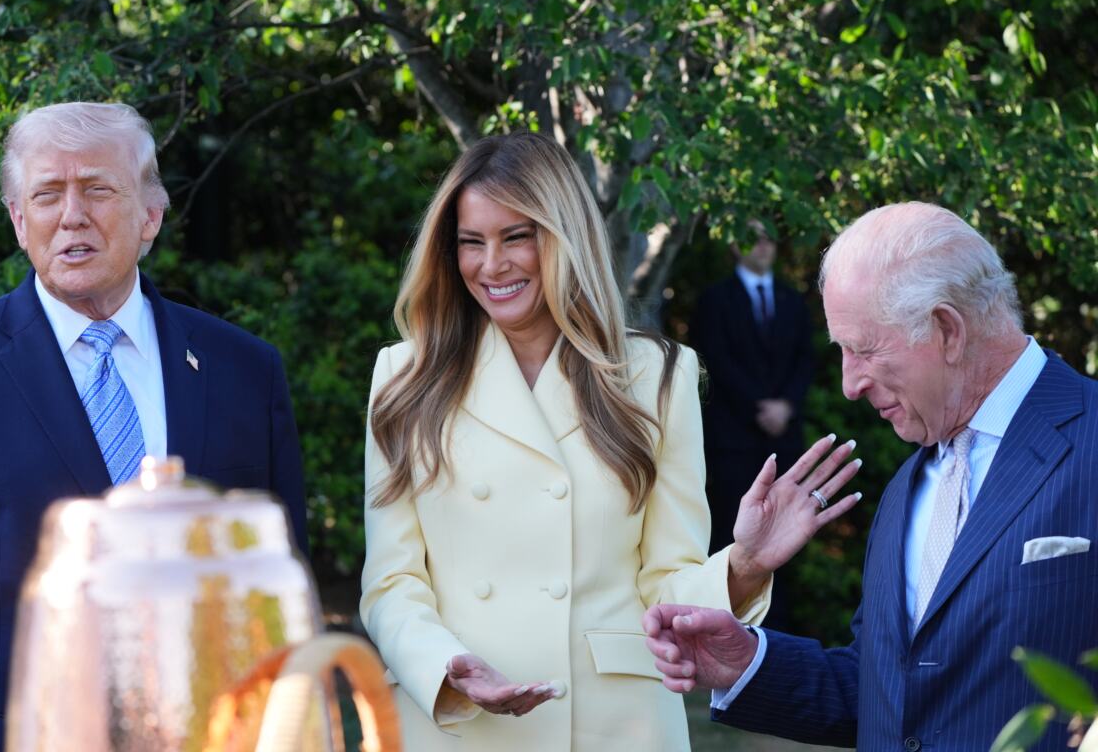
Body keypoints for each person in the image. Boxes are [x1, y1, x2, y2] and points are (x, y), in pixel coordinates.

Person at [359, 132, 862, 751]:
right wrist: (444, 667)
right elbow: (391, 584)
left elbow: (665, 581)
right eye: (471, 242)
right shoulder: (404, 376)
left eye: (516, 237)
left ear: (564, 236)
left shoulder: (657, 375)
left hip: (614, 724)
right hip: (458, 727)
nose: (491, 265)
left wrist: (744, 565)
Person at [0, 102, 307, 752]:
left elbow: (281, 591)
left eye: (97, 189)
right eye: (47, 194)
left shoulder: (244, 371)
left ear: (151, 215)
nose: (72, 216)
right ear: (18, 220)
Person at [645, 202, 1098, 750]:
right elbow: (886, 692)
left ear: (947, 330)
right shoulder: (907, 489)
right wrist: (748, 662)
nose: (849, 384)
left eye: (863, 349)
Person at [690, 223, 813, 629]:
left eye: (768, 238)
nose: (762, 245)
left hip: (784, 441)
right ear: (734, 245)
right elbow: (714, 361)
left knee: (787, 536)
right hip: (733, 441)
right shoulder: (715, 300)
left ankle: (779, 634)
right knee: (733, 537)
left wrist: (786, 406)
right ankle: (730, 628)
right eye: (752, 237)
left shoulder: (792, 300)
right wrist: (759, 407)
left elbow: (805, 360)